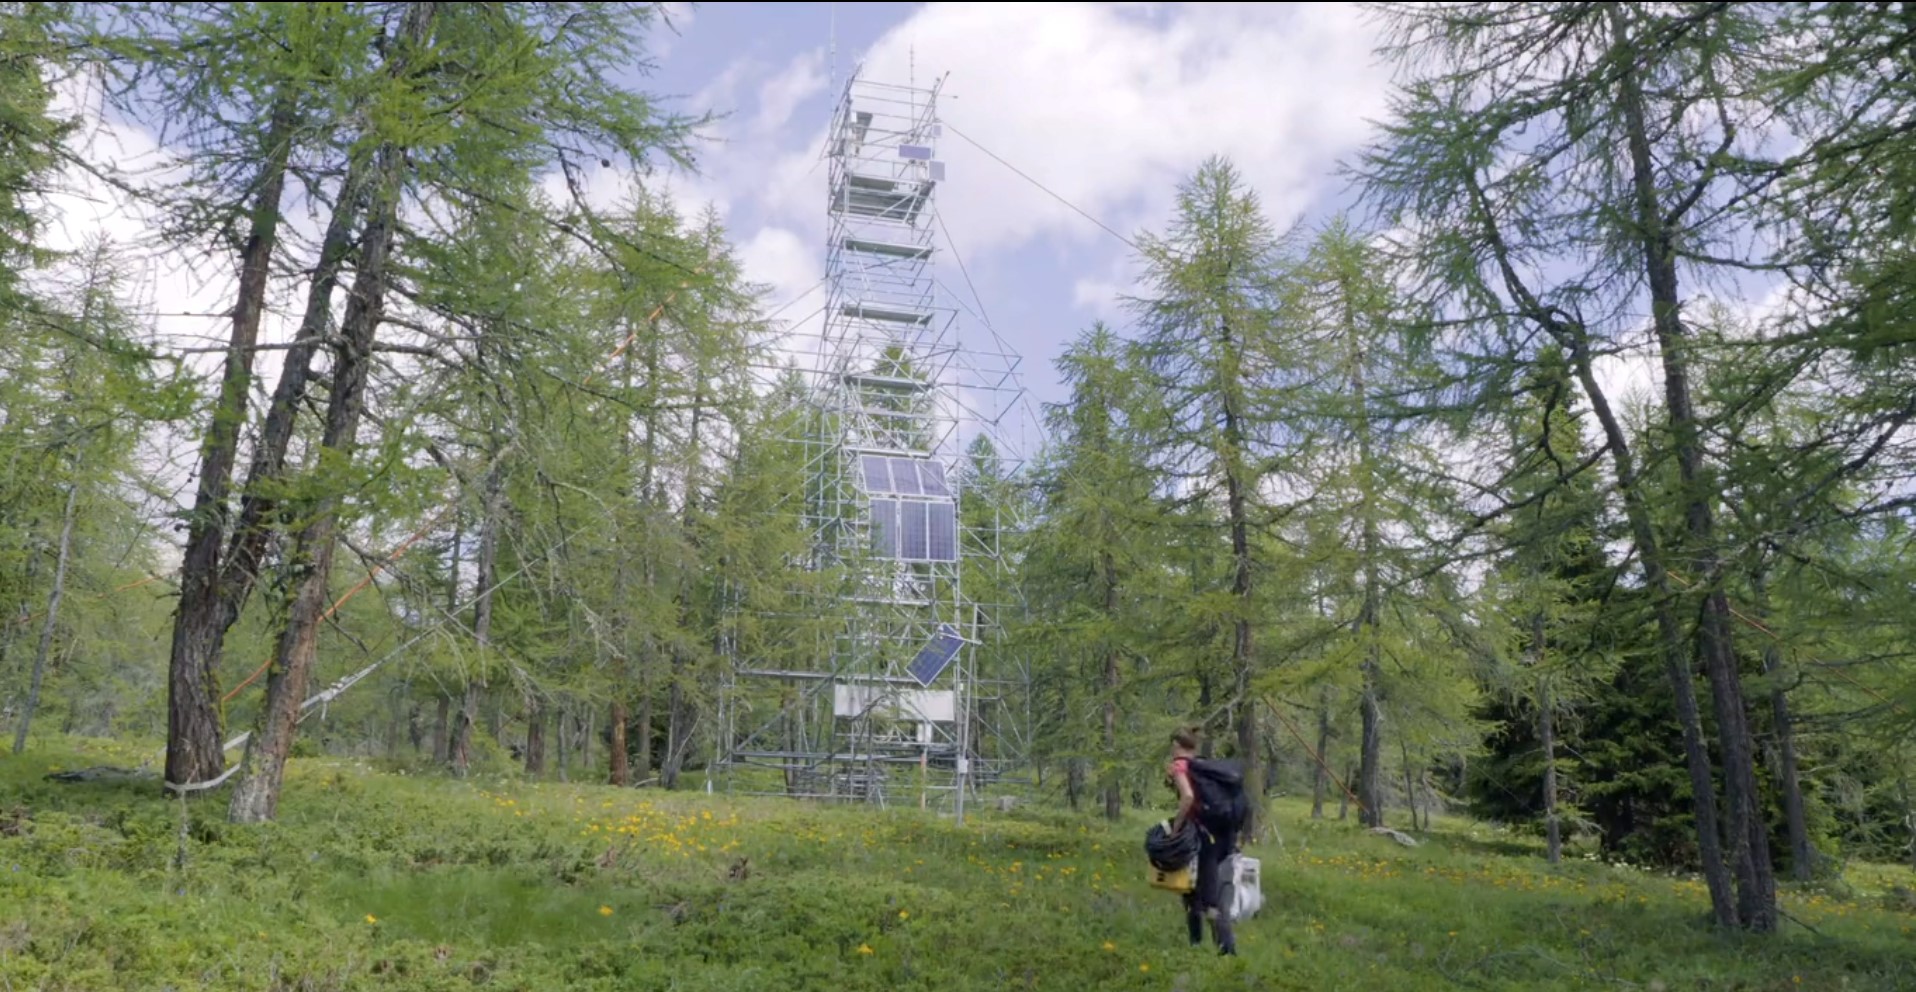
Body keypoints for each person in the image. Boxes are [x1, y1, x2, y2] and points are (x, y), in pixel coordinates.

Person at [1167, 727, 1239, 955]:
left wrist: (1175, 828)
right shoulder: (1204, 765)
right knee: (1198, 891)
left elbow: (1187, 796)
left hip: (1197, 837)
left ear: (1177, 745)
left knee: (1200, 896)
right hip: (1218, 837)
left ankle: (1224, 950)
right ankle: (1202, 947)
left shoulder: (1181, 766)